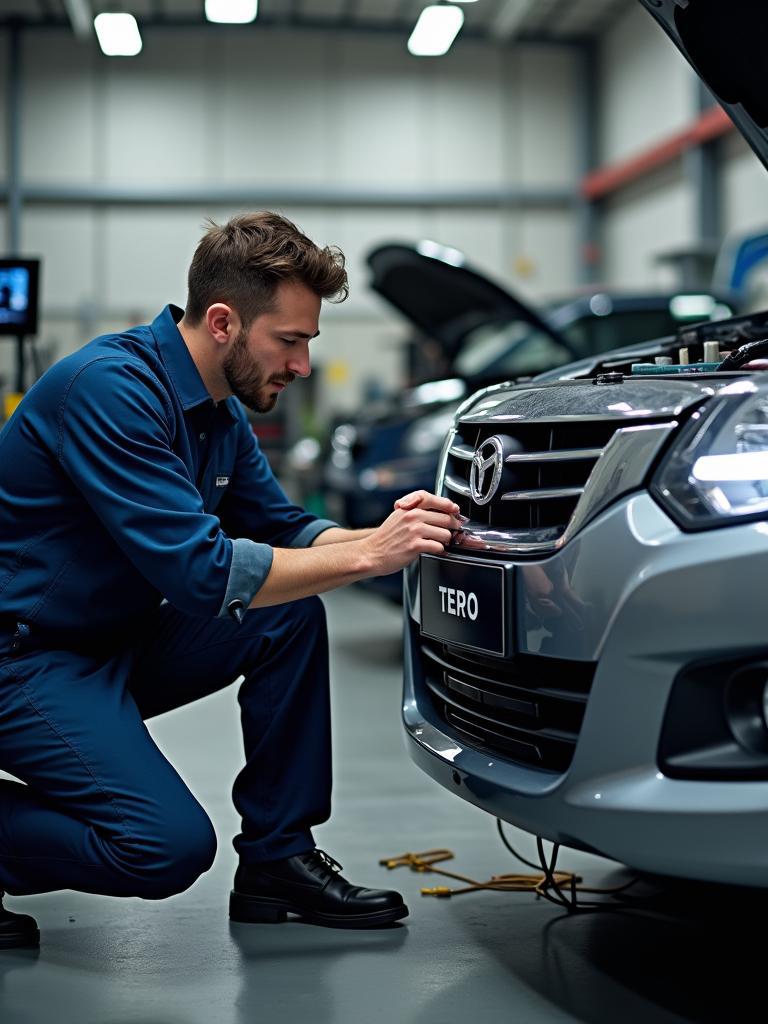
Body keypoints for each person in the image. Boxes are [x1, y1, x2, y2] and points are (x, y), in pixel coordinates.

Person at [0, 212, 462, 947]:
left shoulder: (217, 412)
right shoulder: (109, 389)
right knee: (163, 846)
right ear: (222, 322)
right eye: (290, 340)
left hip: (112, 640)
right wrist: (371, 556)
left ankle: (278, 860)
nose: (302, 364)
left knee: (288, 614)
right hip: (24, 659)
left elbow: (284, 530)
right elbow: (202, 572)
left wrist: (392, 538)